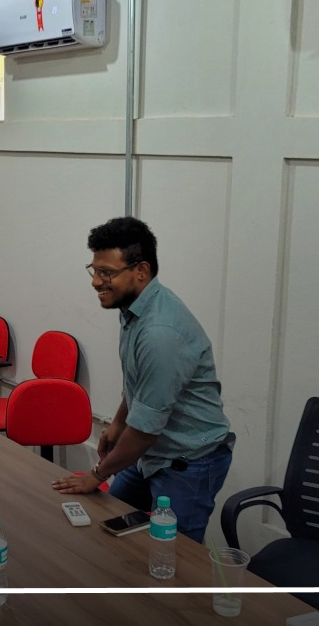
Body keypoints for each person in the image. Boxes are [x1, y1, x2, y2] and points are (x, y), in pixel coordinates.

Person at [52, 216, 233, 543]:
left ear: (141, 271)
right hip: (149, 452)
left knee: (176, 552)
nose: (96, 282)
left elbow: (146, 430)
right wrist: (118, 424)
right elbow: (139, 384)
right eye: (94, 270)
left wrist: (96, 474)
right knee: (110, 524)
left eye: (107, 272)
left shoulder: (159, 332)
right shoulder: (135, 309)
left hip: (188, 461)